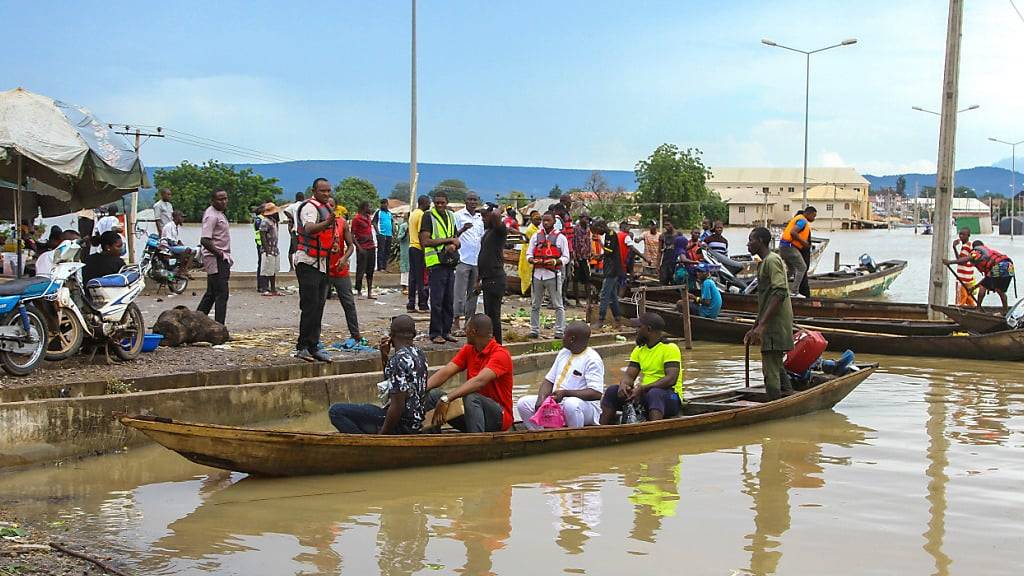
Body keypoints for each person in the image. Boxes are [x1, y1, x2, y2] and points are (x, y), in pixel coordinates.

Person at [328, 315, 427, 434]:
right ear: (414, 334)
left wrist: (382, 436)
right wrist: (384, 357)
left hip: (403, 424)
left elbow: (397, 407)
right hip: (415, 421)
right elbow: (392, 386)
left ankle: (366, 446)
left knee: (335, 411)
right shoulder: (420, 354)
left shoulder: (398, 360)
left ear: (391, 335)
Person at [425, 314, 513, 432]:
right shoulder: (469, 349)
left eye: (466, 328)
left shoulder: (501, 354)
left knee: (471, 396)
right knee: (433, 395)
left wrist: (447, 398)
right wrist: (419, 390)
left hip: (498, 419)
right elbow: (446, 372)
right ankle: (433, 439)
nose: (464, 331)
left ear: (472, 332)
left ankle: (476, 443)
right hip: (473, 414)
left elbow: (479, 382)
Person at [599, 312, 684, 424]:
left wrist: (643, 388)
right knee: (612, 391)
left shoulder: (670, 348)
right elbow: (629, 376)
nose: (636, 330)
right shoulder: (639, 350)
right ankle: (601, 427)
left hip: (671, 397)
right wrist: (623, 385)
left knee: (655, 393)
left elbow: (670, 380)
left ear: (648, 329)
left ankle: (653, 431)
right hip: (647, 394)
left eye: (639, 327)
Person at [517, 321, 604, 429]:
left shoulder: (593, 359)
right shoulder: (564, 352)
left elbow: (596, 393)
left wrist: (566, 393)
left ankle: (574, 436)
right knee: (523, 403)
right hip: (558, 404)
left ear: (572, 339)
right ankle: (540, 436)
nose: (562, 337)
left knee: (571, 405)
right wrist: (541, 398)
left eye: (564, 335)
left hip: (584, 408)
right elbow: (549, 380)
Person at [743, 226, 794, 400]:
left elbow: (779, 293)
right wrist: (755, 326)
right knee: (776, 363)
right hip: (771, 322)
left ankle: (775, 401)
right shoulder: (765, 262)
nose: (748, 244)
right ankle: (788, 395)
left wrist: (763, 326)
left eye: (751, 240)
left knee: (769, 366)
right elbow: (766, 298)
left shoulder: (772, 260)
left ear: (761, 241)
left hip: (775, 323)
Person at [293, 178, 336, 363]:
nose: (326, 194)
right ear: (314, 191)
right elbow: (309, 228)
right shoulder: (310, 208)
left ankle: (313, 344)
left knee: (319, 306)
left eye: (328, 191)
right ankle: (302, 346)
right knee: (309, 306)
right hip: (308, 263)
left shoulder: (326, 208)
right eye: (322, 191)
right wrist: (327, 223)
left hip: (322, 263)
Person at [420, 191, 461, 344]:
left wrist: (454, 244)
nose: (440, 205)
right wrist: (448, 240)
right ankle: (435, 332)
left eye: (442, 203)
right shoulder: (428, 216)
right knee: (437, 301)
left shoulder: (451, 216)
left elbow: (456, 238)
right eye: (437, 203)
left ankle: (446, 331)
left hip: (449, 262)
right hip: (435, 263)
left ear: (447, 202)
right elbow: (425, 241)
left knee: (448, 300)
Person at [527, 211, 570, 338]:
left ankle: (559, 331)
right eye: (543, 220)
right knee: (535, 304)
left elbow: (566, 257)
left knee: (558, 304)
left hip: (553, 275)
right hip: (537, 275)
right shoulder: (536, 236)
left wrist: (556, 261)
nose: (545, 223)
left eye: (548, 220)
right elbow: (528, 254)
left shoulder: (561, 238)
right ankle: (534, 330)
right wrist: (531, 260)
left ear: (553, 222)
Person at [326, 198, 362, 344]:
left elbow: (351, 245)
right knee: (317, 304)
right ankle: (312, 338)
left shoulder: (342, 223)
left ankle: (356, 335)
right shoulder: (317, 223)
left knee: (348, 303)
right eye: (327, 205)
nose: (329, 207)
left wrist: (344, 257)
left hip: (339, 269)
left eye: (332, 205)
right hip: (322, 270)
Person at [945, 240, 1016, 313]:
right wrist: (974, 287)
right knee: (1000, 291)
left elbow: (965, 260)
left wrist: (950, 262)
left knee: (983, 287)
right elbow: (986, 279)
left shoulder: (977, 250)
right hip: (1009, 267)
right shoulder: (988, 252)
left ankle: (978, 309)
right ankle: (1005, 311)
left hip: (999, 266)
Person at [197, 190, 232, 325]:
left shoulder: (219, 214)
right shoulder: (211, 216)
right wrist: (220, 254)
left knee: (211, 293)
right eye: (220, 199)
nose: (223, 202)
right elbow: (205, 240)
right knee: (222, 293)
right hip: (215, 258)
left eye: (225, 198)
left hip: (221, 257)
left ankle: (196, 321)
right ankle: (219, 327)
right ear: (212, 200)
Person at [453, 192, 484, 336]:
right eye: (470, 199)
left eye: (475, 200)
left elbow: (481, 238)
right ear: (465, 201)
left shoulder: (479, 218)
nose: (472, 202)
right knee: (459, 292)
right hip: (463, 259)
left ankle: (469, 323)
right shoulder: (458, 216)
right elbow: (452, 236)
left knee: (473, 293)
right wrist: (462, 229)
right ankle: (455, 322)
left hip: (476, 260)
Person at [477, 203, 507, 343]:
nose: (482, 218)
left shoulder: (499, 231)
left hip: (496, 278)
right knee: (489, 315)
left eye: (485, 215)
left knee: (494, 316)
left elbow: (496, 214)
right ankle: (492, 345)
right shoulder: (487, 233)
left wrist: (498, 207)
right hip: (487, 279)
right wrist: (478, 280)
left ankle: (497, 346)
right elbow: (483, 256)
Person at [592, 219, 624, 328]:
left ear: (601, 226)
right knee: (612, 295)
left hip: (612, 269)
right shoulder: (608, 235)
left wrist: (599, 256)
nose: (597, 233)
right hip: (611, 268)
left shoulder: (610, 235)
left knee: (604, 294)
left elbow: (608, 251)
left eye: (597, 230)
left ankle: (601, 320)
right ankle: (617, 319)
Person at [779, 207, 816, 297]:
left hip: (783, 247)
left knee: (791, 270)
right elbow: (793, 232)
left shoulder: (799, 219)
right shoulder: (802, 221)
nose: (814, 218)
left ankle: (779, 287)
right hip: (789, 247)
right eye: (813, 216)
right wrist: (804, 242)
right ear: (808, 213)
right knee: (802, 267)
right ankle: (794, 292)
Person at [407, 195, 431, 312]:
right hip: (419, 248)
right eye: (429, 203)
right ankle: (422, 304)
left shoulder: (413, 214)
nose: (430, 205)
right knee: (421, 277)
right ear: (424, 203)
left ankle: (411, 304)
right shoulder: (421, 215)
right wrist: (425, 252)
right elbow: (422, 235)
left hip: (412, 247)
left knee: (413, 278)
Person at [351, 200, 377, 299]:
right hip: (363, 248)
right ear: (364, 207)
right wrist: (358, 247)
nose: (370, 209)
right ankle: (359, 291)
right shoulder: (356, 219)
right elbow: (352, 235)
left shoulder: (368, 218)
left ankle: (369, 292)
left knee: (370, 271)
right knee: (360, 270)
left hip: (371, 247)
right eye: (369, 207)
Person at [161, 210, 194, 277]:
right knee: (187, 249)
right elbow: (169, 240)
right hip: (167, 246)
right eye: (182, 217)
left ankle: (185, 270)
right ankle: (180, 271)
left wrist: (180, 243)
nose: (183, 219)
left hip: (173, 246)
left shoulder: (175, 227)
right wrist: (178, 245)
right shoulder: (169, 226)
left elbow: (175, 240)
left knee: (193, 251)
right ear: (177, 217)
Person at [517, 210, 542, 295]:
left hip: (533, 252)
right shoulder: (531, 230)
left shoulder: (537, 228)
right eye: (537, 220)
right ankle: (529, 292)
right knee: (528, 273)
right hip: (529, 253)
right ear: (532, 220)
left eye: (539, 220)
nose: (539, 221)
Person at [259, 203, 281, 295]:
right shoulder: (265, 222)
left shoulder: (273, 222)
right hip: (268, 249)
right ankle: (265, 289)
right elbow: (262, 236)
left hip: (274, 249)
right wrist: (267, 249)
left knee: (273, 270)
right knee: (266, 269)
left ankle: (273, 289)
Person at [951, 227, 977, 307]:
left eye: (963, 234)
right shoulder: (969, 246)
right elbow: (960, 259)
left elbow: (960, 261)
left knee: (960, 302)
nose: (961, 236)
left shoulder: (966, 246)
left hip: (962, 279)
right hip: (969, 279)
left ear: (968, 235)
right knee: (969, 300)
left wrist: (954, 247)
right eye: (960, 234)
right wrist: (955, 248)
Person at [571, 214, 592, 306]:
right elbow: (573, 243)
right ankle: (577, 301)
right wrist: (574, 259)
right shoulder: (575, 229)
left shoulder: (588, 229)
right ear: (580, 219)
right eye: (585, 218)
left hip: (585, 257)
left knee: (588, 279)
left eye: (587, 219)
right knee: (575, 279)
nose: (587, 220)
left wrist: (590, 253)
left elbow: (589, 242)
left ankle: (588, 300)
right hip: (577, 257)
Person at [284, 192, 305, 272]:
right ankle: (301, 268)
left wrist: (291, 218)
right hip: (304, 232)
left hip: (295, 231)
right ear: (303, 198)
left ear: (296, 198)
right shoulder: (306, 205)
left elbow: (285, 211)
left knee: (292, 250)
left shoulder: (292, 206)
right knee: (302, 251)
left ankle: (292, 267)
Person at [372, 199, 395, 272]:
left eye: (385, 203)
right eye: (382, 204)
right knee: (381, 250)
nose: (384, 205)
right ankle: (380, 267)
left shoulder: (389, 213)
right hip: (381, 234)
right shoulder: (378, 212)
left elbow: (392, 222)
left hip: (389, 234)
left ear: (387, 204)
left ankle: (385, 266)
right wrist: (378, 232)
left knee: (387, 251)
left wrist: (393, 232)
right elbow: (374, 222)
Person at [252, 203, 267, 293]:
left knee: (265, 264)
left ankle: (264, 285)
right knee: (262, 264)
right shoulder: (259, 219)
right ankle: (261, 286)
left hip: (264, 243)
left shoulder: (263, 218)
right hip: (261, 243)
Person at [397, 213, 410, 292]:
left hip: (412, 249)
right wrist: (405, 233)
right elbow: (399, 237)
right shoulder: (403, 226)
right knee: (405, 267)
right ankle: (404, 286)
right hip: (405, 249)